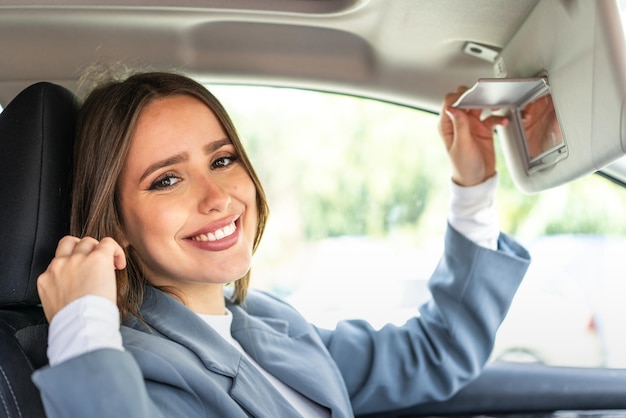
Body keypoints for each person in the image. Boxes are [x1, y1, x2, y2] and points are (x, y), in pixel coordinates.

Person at [32, 72, 530, 417]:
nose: (218, 197)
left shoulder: (269, 323)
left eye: (222, 160)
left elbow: (434, 353)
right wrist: (82, 323)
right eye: (167, 180)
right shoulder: (136, 365)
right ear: (114, 222)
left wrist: (474, 188)